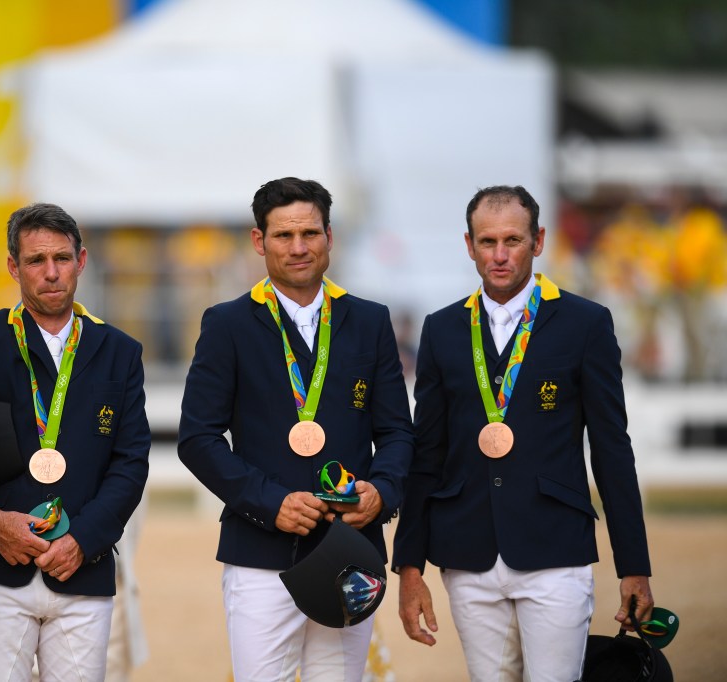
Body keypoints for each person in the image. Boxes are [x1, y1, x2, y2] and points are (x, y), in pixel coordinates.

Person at [393, 185, 654, 682]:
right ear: (468, 245)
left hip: (554, 548)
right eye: (486, 242)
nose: (499, 254)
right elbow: (426, 452)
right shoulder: (443, 329)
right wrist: (409, 566)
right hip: (466, 553)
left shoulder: (586, 323)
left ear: (538, 241)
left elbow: (611, 449)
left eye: (512, 240)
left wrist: (633, 565)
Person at [178, 177, 413, 682]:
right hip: (261, 555)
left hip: (350, 548)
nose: (299, 247)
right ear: (259, 241)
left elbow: (397, 432)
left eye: (310, 232)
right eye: (284, 236)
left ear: (330, 236)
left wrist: (383, 492)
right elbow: (197, 438)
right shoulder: (227, 324)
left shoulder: (370, 321)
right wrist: (271, 503)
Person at [0, 203, 150, 682]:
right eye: (36, 261)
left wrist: (82, 540)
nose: (51, 272)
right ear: (13, 267)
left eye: (62, 258)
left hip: (83, 567)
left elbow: (131, 463)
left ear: (82, 261)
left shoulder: (119, 351)